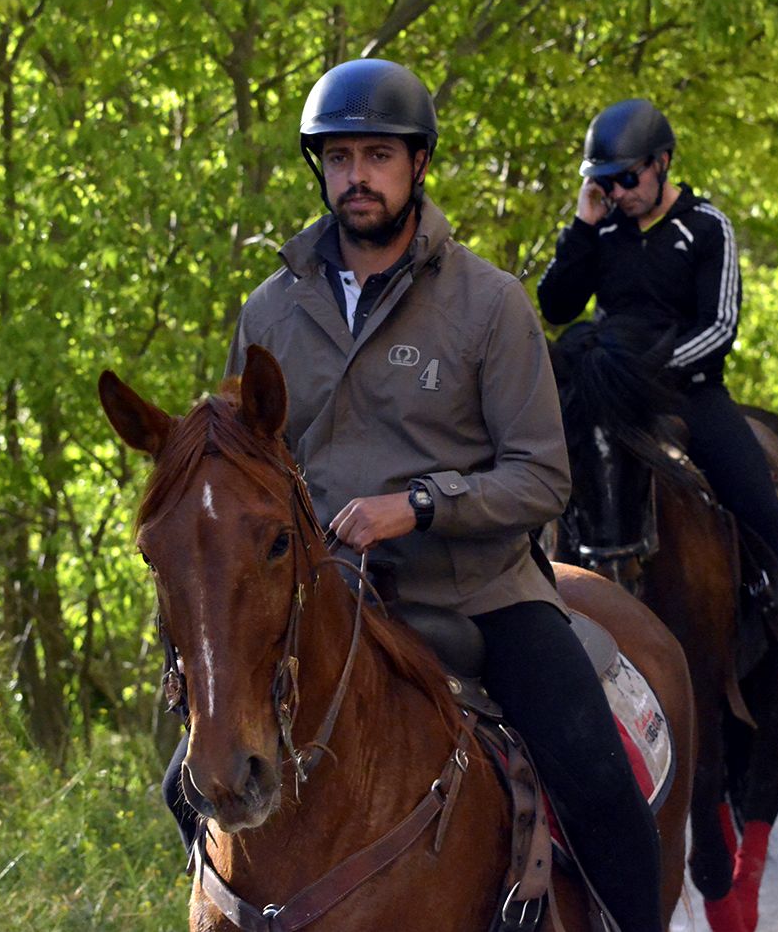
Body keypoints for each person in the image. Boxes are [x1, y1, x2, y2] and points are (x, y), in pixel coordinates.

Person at [177, 58, 663, 932]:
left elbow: (543, 475)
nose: (355, 176)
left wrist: (421, 505)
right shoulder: (270, 310)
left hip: (476, 595)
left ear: (418, 165)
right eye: (337, 157)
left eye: (377, 155)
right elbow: (248, 468)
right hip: (321, 594)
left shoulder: (490, 304)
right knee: (188, 761)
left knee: (593, 773)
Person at [536, 98, 778, 717]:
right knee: (535, 473)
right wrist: (582, 226)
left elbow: (720, 326)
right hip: (605, 393)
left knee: (752, 489)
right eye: (605, 180)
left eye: (627, 178)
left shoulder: (705, 226)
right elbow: (559, 305)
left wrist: (647, 374)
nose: (618, 191)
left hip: (687, 392)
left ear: (662, 163)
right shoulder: (603, 227)